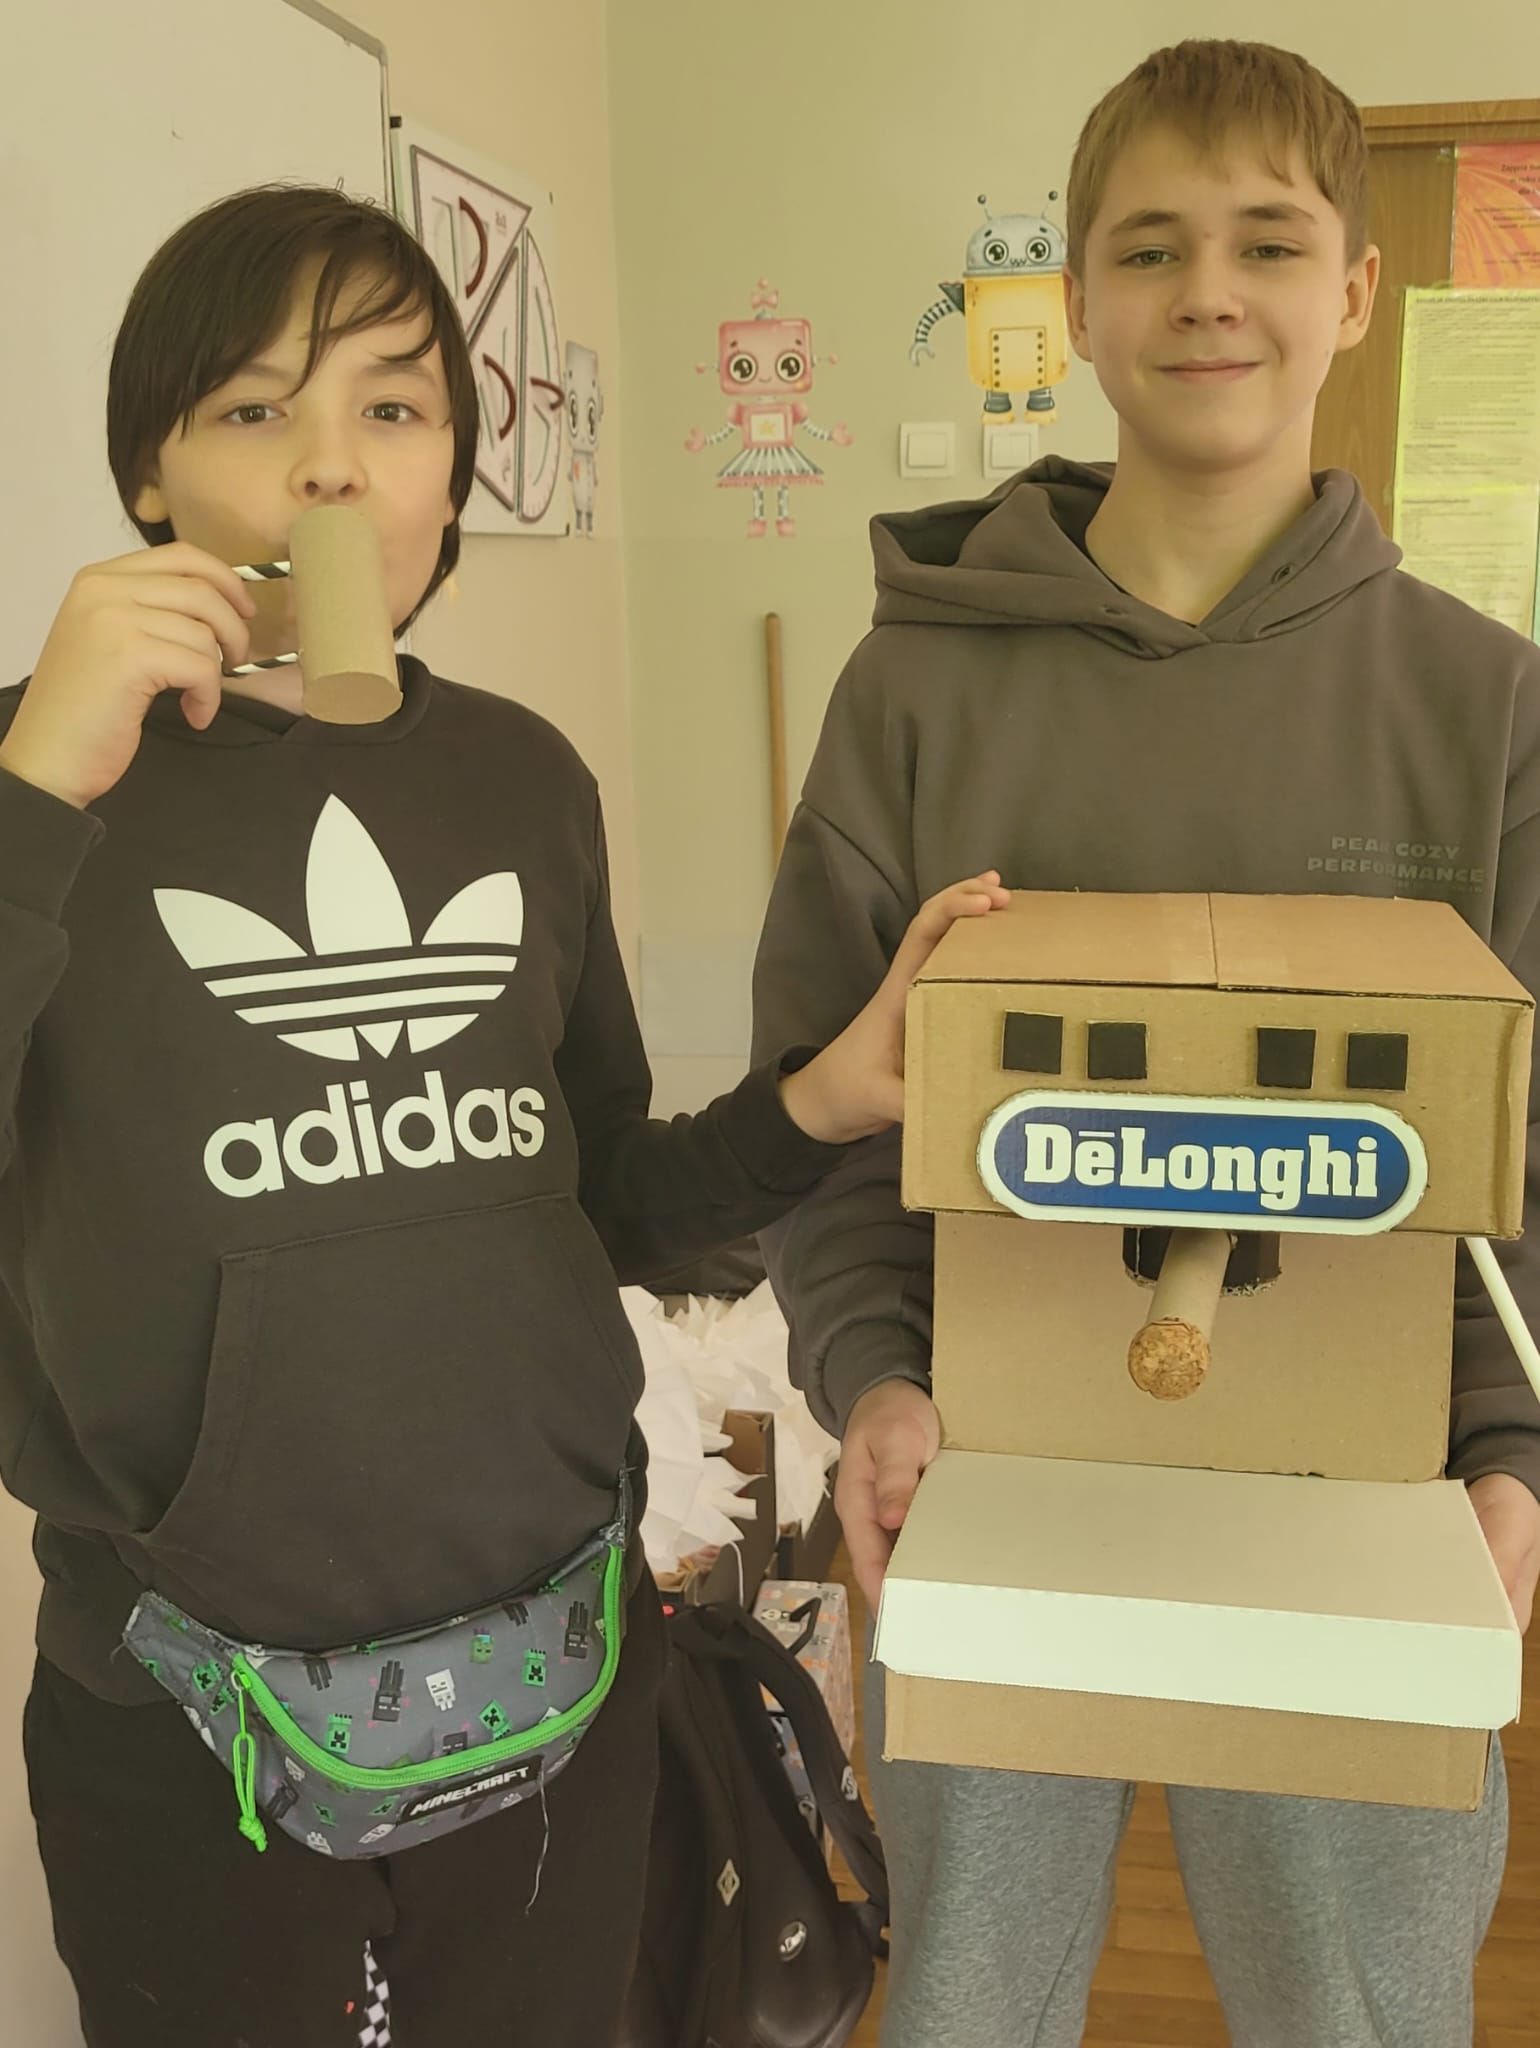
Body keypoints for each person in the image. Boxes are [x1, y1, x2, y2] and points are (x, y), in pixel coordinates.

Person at [0, 182, 1008, 2048]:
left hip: (560, 1678)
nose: (330, 466)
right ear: (149, 472)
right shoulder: (34, 781)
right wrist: (38, 784)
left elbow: (600, 1195)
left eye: (391, 409)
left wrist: (824, 1098)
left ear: (452, 475)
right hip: (185, 1725)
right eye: (252, 408)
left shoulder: (522, 779)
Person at [752, 38, 1540, 2048]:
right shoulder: (914, 693)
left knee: (1354, 2009)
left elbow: (1520, 1156)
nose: (1209, 293)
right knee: (966, 2001)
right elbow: (830, 1102)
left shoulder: (1484, 709)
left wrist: (1509, 1451)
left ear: (1352, 292)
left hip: (1359, 1493)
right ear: (1079, 304)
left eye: (1267, 243)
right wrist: (874, 1374)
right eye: (1150, 247)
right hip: (992, 1473)